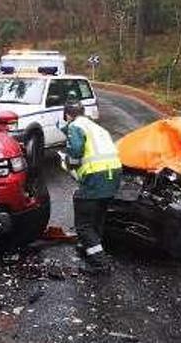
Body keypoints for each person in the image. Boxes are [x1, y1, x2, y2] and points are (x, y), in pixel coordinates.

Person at [63, 99, 122, 274]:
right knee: (97, 216)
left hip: (97, 176)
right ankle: (89, 247)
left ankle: (100, 262)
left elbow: (75, 153)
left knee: (83, 223)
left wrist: (67, 162)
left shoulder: (75, 126)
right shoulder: (97, 127)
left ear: (67, 115)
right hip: (114, 175)